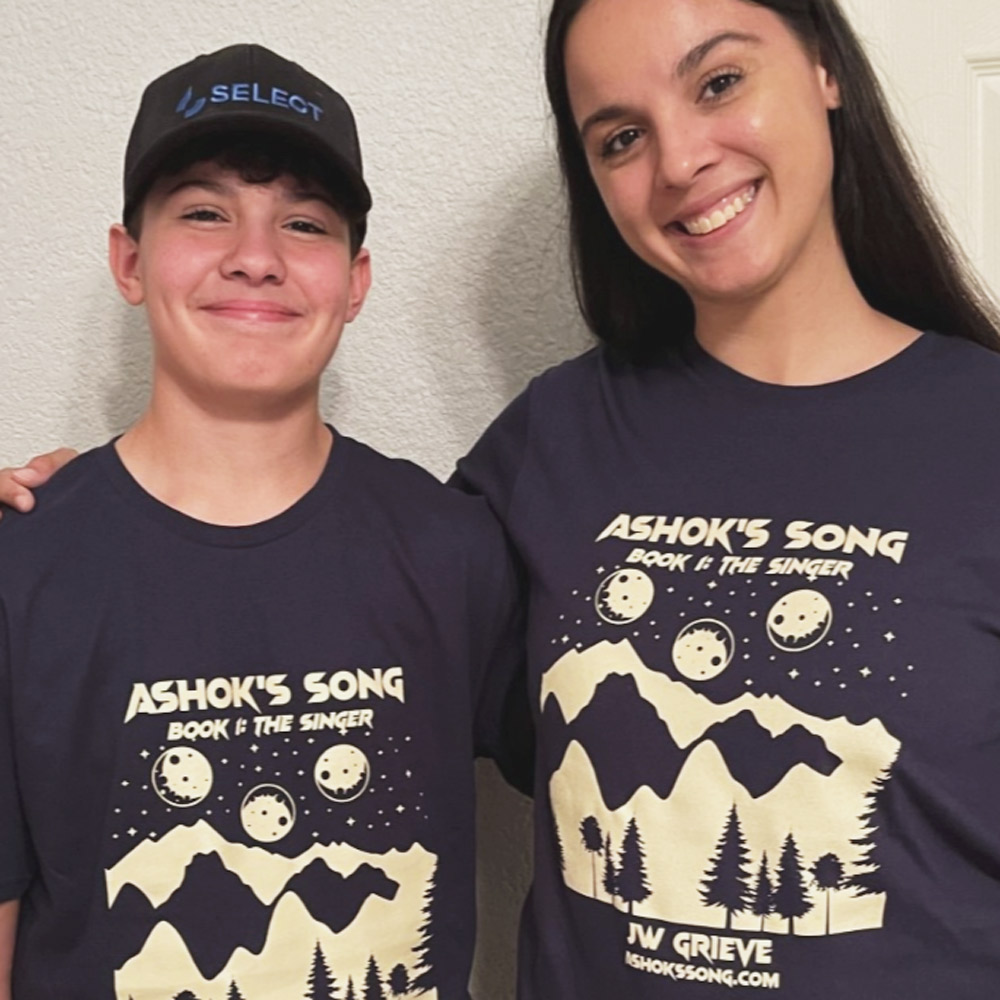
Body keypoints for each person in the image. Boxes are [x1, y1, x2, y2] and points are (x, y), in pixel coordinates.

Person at [10, 0, 1000, 997]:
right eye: (620, 136)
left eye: (718, 82)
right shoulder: (550, 443)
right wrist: (66, 522)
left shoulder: (975, 426)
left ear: (827, 68)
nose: (680, 159)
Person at [0, 43, 526, 1000]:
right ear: (130, 260)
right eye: (205, 212)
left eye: (304, 222)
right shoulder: (21, 565)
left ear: (355, 281)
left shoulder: (455, 550)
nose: (255, 256)